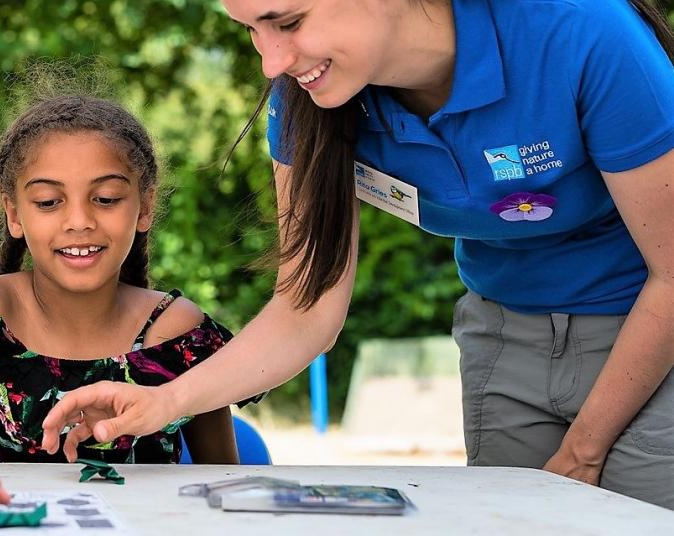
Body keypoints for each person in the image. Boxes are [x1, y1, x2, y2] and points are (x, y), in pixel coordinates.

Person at [42, 0, 674, 509]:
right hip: (503, 333)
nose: (271, 62)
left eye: (287, 22)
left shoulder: (584, 29)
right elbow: (304, 310)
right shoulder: (306, 96)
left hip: (649, 336)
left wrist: (586, 448)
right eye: (252, 30)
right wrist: (166, 401)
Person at [0, 87, 254, 515]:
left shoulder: (179, 331)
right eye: (49, 202)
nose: (80, 221)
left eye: (105, 199)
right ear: (14, 213)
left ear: (144, 207)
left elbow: (222, 482)